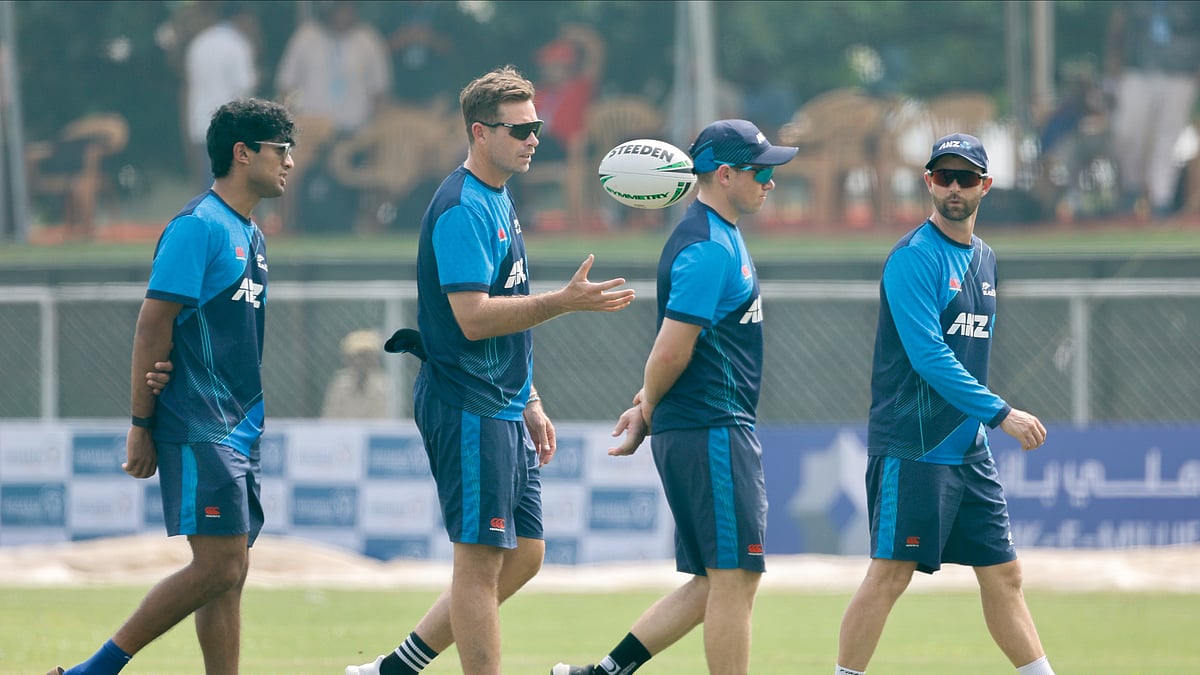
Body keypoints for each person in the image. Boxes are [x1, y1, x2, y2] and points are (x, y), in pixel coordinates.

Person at [345, 65, 635, 675]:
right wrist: (565, 301)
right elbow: (474, 318)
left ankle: (396, 668)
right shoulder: (462, 207)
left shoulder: (499, 197)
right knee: (478, 565)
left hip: (502, 401)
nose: (535, 138)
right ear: (481, 132)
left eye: (538, 127)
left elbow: (507, 307)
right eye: (522, 128)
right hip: (467, 401)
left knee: (525, 554)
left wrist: (529, 398)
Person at [47, 97, 296, 675]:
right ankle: (95, 669)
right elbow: (153, 324)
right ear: (243, 153)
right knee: (218, 567)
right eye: (281, 150)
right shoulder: (199, 227)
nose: (289, 162)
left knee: (229, 576)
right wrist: (140, 423)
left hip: (239, 422)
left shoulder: (252, 234)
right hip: (198, 421)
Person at [551, 119, 798, 675]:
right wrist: (647, 408)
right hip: (712, 427)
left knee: (714, 580)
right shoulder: (708, 247)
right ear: (726, 174)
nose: (771, 181)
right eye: (761, 171)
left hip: (707, 425)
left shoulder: (718, 234)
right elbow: (670, 350)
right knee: (735, 578)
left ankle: (602, 673)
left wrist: (648, 406)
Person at [834, 133, 1054, 675]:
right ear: (929, 182)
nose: (954, 187)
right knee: (890, 574)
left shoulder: (985, 259)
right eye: (944, 177)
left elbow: (969, 354)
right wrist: (1001, 413)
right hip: (914, 442)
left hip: (966, 448)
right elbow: (930, 358)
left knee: (1004, 575)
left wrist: (981, 423)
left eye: (966, 178)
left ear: (986, 186)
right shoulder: (913, 259)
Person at [1105, 0, 1200, 219]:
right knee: (1126, 131)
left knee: (1168, 137)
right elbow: (1119, 23)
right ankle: (1132, 186)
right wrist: (1113, 60)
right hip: (1137, 67)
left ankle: (1161, 199)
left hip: (1181, 69)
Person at [182, 1, 259, 189]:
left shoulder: (199, 43)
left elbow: (191, 85)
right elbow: (245, 89)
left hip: (201, 126)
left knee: (209, 187)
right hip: (229, 129)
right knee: (231, 189)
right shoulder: (238, 44)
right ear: (242, 17)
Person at [321, 329, 390, 419]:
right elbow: (330, 419)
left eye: (366, 356)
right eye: (358, 356)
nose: (361, 362)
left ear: (374, 360)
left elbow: (382, 422)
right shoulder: (339, 385)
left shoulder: (382, 386)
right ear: (349, 360)